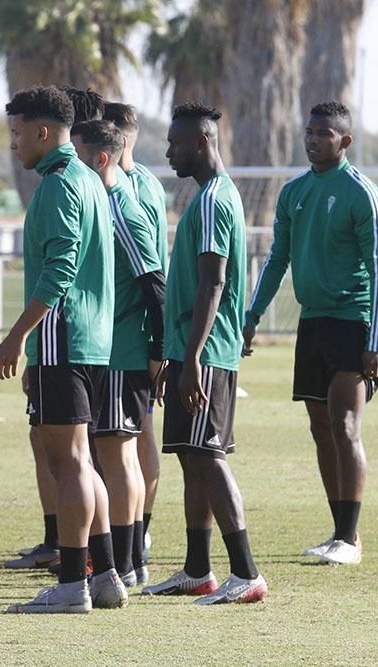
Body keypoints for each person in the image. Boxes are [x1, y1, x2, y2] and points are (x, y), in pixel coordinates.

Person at [0, 86, 124, 613]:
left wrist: (18, 334)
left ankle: (72, 584)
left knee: (67, 462)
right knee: (81, 461)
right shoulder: (90, 179)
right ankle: (107, 573)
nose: (14, 144)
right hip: (90, 339)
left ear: (43, 133)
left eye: (18, 133)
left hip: (63, 336)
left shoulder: (58, 185)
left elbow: (62, 267)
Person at [142, 102, 267, 603]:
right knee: (193, 458)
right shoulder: (204, 197)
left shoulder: (216, 198)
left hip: (208, 352)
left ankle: (247, 573)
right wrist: (176, 355)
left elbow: (214, 281)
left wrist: (191, 357)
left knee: (208, 455)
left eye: (174, 143)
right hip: (192, 350)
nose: (168, 151)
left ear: (200, 142)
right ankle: (197, 569)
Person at [245, 101, 377, 565]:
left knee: (345, 425)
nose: (312, 139)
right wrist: (251, 316)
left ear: (344, 141)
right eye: (309, 131)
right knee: (321, 429)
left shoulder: (361, 192)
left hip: (352, 321)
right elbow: (276, 258)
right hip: (312, 321)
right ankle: (338, 532)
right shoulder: (294, 192)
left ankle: (350, 539)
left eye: (323, 133)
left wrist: (375, 340)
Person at [71, 120, 166, 587]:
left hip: (122, 352)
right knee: (114, 456)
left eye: (77, 152)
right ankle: (131, 563)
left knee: (116, 457)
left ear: (100, 158)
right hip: (114, 352)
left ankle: (125, 563)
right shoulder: (105, 200)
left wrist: (158, 350)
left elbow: (154, 280)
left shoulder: (119, 206)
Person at [104, 101, 169, 550]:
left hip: (133, 332)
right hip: (145, 329)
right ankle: (135, 537)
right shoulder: (148, 181)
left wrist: (156, 347)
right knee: (137, 434)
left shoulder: (127, 188)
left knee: (130, 438)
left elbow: (150, 271)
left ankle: (132, 540)